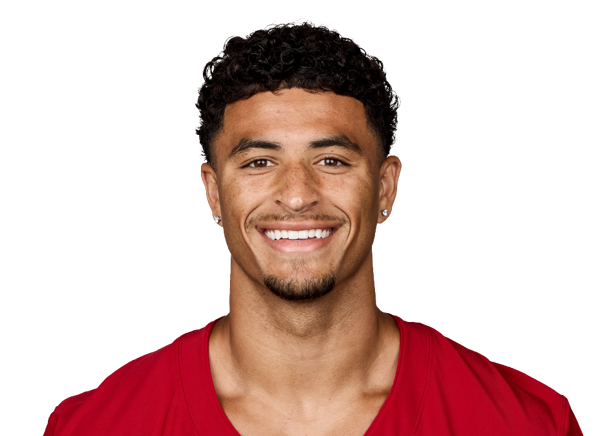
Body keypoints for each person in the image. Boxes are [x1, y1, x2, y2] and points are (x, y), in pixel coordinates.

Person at [43, 20, 583, 436]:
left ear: (386, 188)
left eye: (332, 161)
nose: (298, 194)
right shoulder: (94, 427)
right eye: (259, 162)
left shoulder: (527, 424)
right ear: (212, 192)